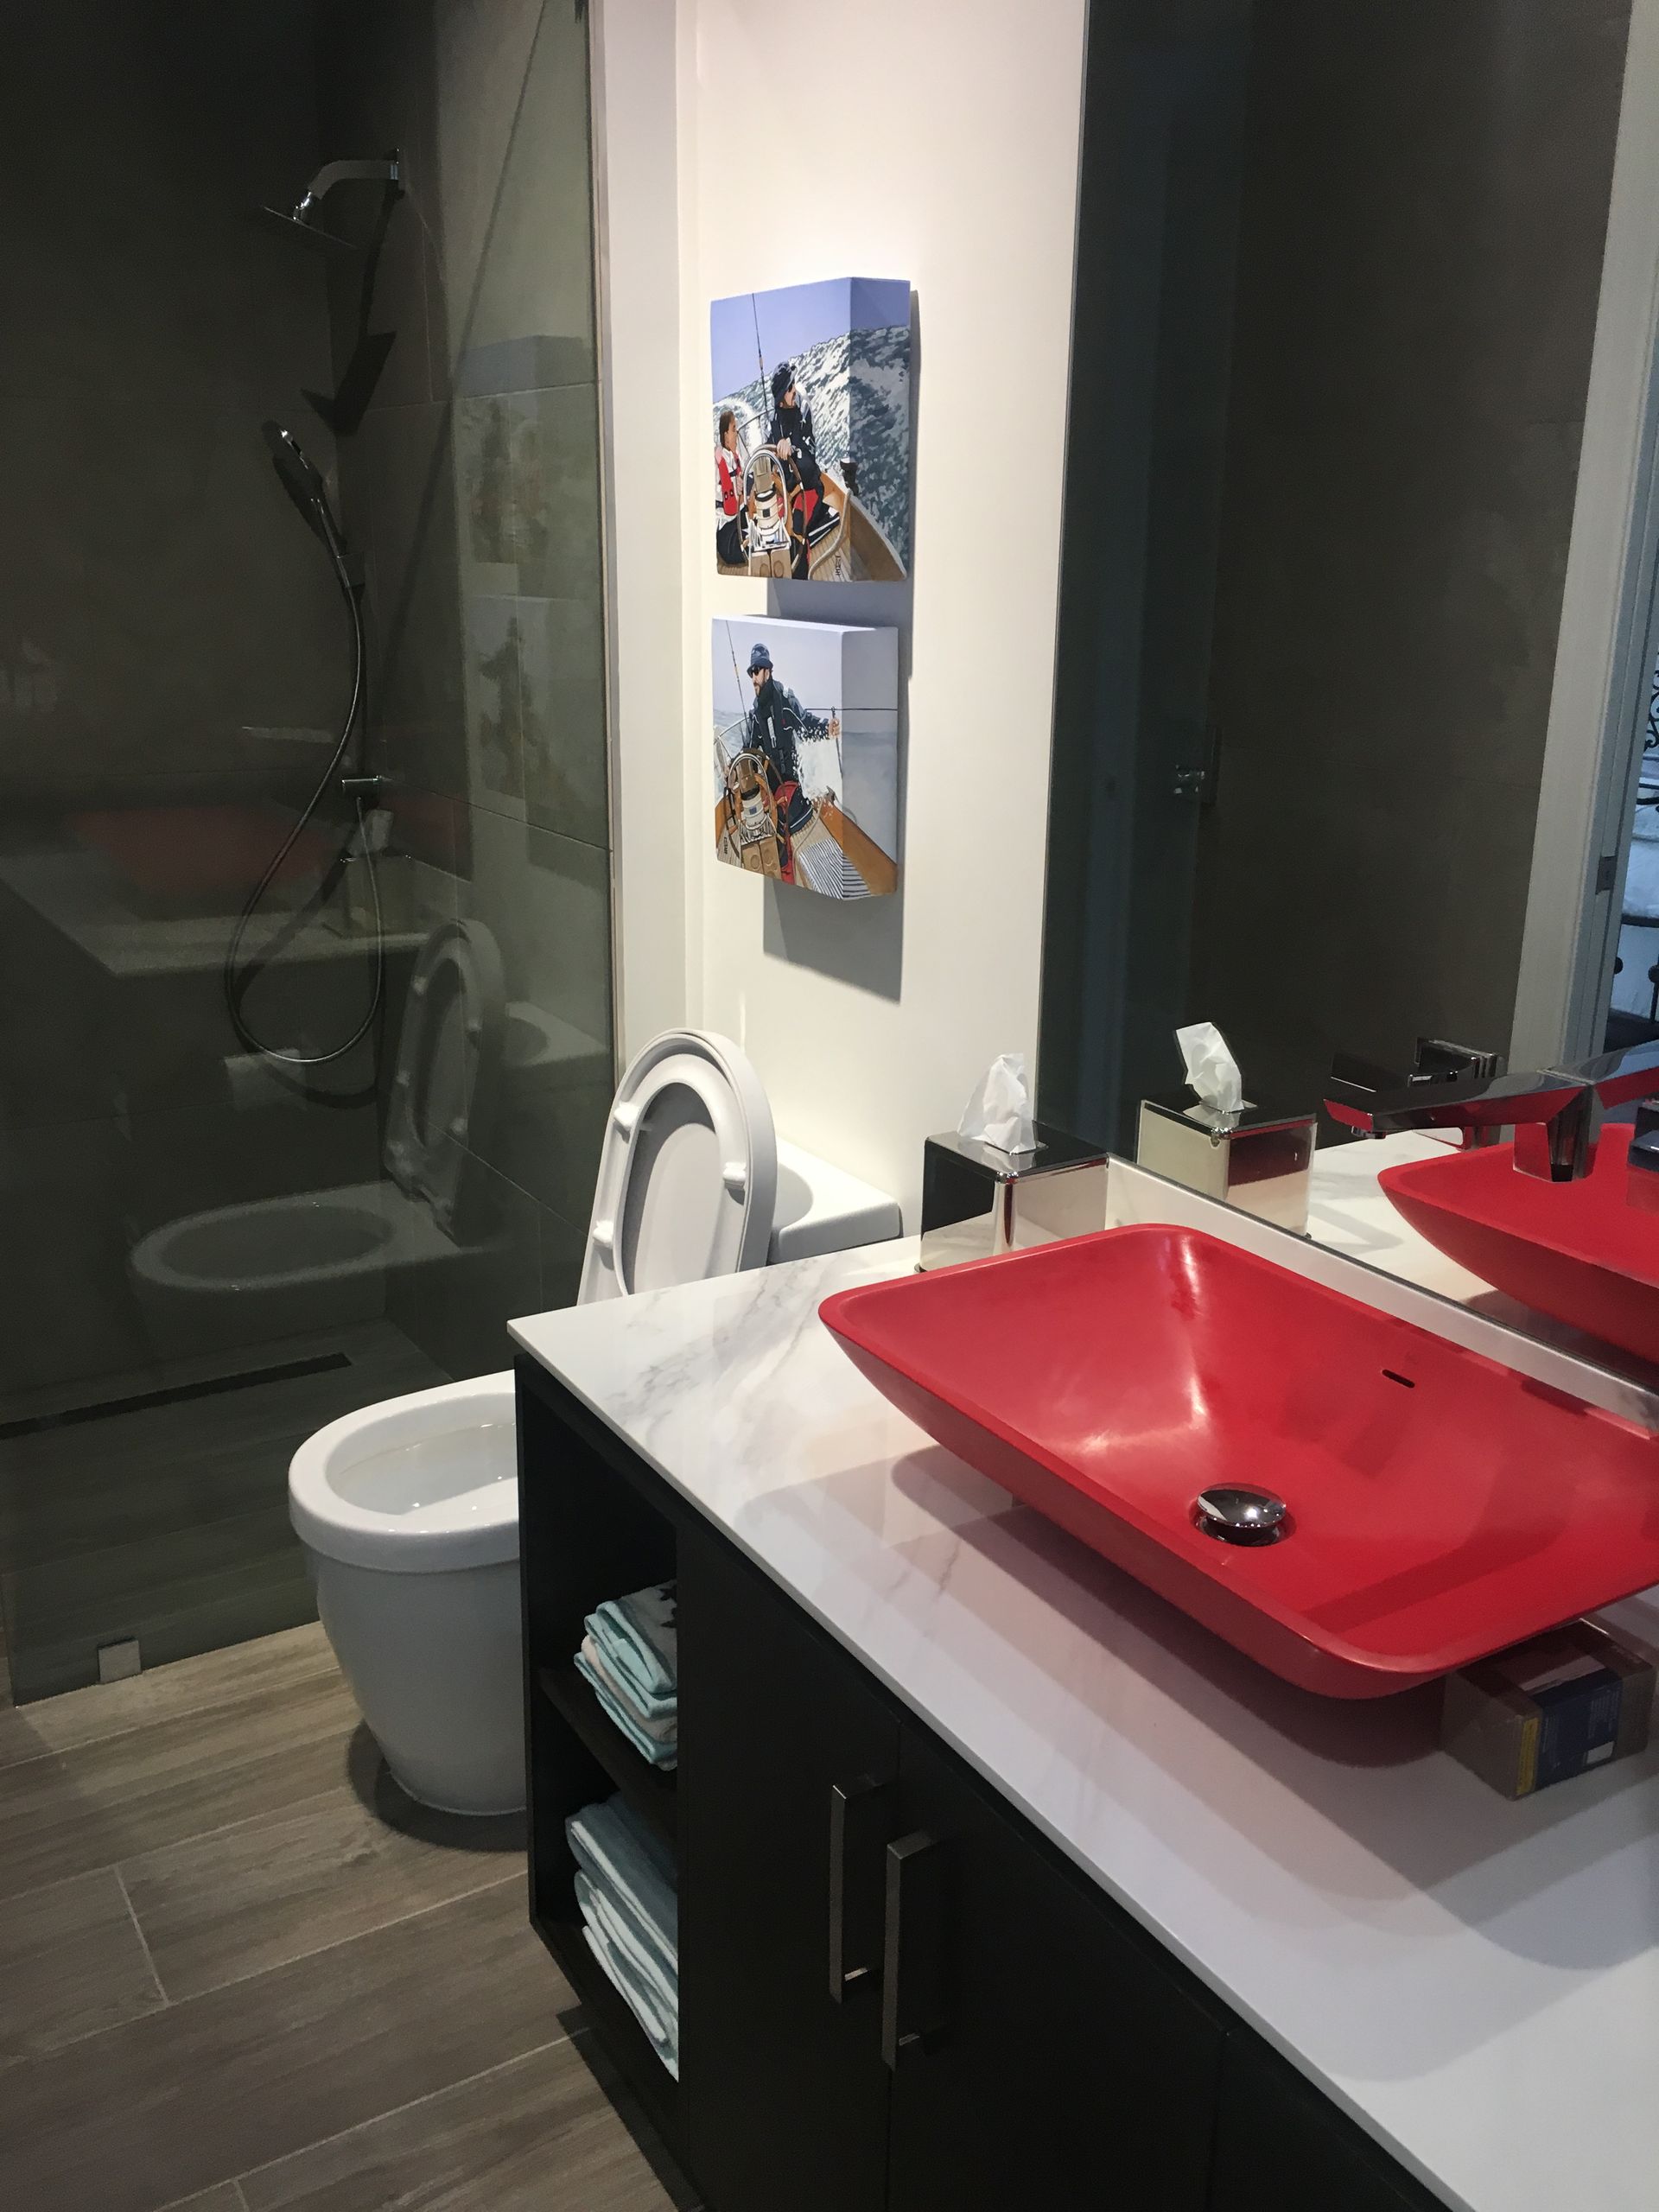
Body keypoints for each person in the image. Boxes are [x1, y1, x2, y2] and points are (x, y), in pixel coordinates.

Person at [742, 640, 837, 838]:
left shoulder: (785, 700)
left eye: (757, 671)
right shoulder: (755, 714)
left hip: (791, 779)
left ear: (768, 671)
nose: (753, 678)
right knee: (762, 827)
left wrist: (827, 728)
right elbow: (749, 752)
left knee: (789, 825)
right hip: (771, 785)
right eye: (751, 672)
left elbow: (806, 724)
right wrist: (736, 770)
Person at [766, 361, 836, 576]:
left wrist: (792, 448)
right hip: (786, 491)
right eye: (789, 388)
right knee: (768, 526)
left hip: (809, 488)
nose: (794, 389)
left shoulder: (802, 414)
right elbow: (767, 457)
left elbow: (808, 461)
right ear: (779, 400)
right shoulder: (775, 421)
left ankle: (800, 581)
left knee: (795, 530)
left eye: (793, 384)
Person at [714, 408, 746, 568]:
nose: (737, 432)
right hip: (726, 525)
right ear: (726, 436)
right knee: (735, 551)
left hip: (740, 515)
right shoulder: (716, 463)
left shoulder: (737, 457)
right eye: (734, 429)